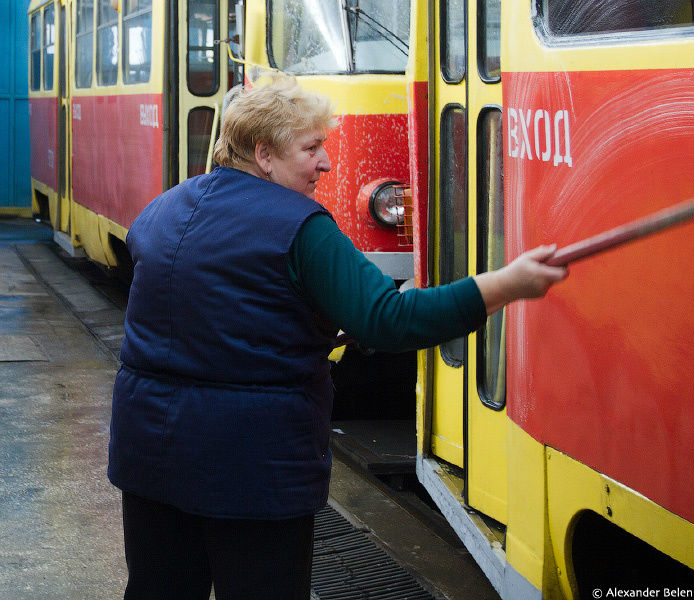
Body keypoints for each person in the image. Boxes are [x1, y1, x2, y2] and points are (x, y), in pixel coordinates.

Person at [107, 75, 567, 599]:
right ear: (263, 155)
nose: (326, 162)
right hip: (252, 474)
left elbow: (211, 316)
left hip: (150, 460)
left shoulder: (164, 208)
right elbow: (388, 320)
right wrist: (504, 285)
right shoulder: (301, 226)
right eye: (311, 148)